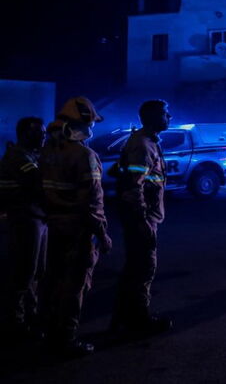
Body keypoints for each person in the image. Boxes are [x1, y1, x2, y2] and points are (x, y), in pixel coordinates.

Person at [40, 97, 112, 357]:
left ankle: (49, 333)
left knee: (53, 281)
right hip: (78, 230)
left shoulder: (49, 151)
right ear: (83, 122)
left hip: (54, 226)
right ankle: (66, 340)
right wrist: (102, 234)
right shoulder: (84, 155)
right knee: (74, 286)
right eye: (91, 121)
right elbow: (90, 203)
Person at [111, 100, 173, 337]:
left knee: (135, 268)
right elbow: (132, 186)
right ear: (153, 117)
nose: (170, 117)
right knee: (143, 268)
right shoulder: (143, 145)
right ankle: (138, 319)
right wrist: (142, 221)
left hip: (145, 217)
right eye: (166, 114)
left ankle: (124, 317)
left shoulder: (147, 142)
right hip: (142, 219)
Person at [0, 117, 47, 342]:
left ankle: (31, 314)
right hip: (25, 218)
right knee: (23, 271)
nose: (44, 136)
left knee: (36, 270)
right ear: (26, 134)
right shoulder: (19, 157)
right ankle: (15, 322)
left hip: (36, 217)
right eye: (39, 132)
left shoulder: (30, 155)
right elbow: (38, 181)